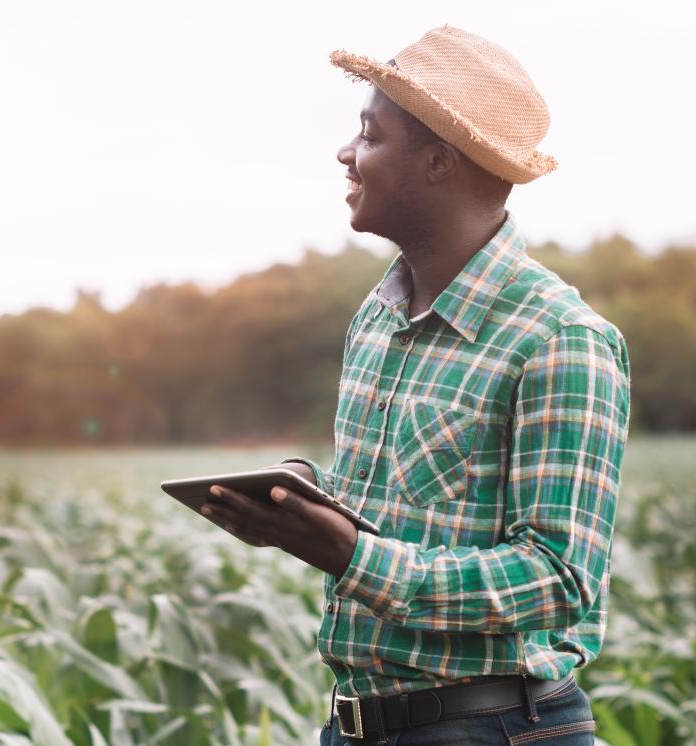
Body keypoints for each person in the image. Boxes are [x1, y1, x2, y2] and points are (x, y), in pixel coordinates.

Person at [199, 26, 630, 745]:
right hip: (359, 726)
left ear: (437, 162)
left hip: (499, 730)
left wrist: (348, 555)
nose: (345, 153)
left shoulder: (561, 339)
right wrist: (305, 495)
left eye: (369, 135)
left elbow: (557, 579)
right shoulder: (377, 316)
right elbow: (415, 508)